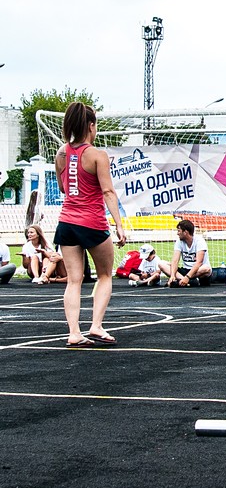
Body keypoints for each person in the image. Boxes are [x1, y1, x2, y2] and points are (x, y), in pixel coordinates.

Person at [53, 101, 126, 346]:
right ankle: (96, 326)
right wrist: (119, 224)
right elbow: (108, 192)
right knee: (105, 275)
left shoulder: (61, 153)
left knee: (74, 280)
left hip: (67, 222)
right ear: (91, 126)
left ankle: (74, 332)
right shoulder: (97, 155)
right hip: (92, 222)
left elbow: (64, 188)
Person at [160, 219, 213, 287]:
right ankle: (187, 281)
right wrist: (172, 275)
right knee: (161, 263)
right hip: (185, 270)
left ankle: (183, 280)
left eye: (179, 231)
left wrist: (187, 277)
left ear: (185, 232)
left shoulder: (199, 241)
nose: (177, 233)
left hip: (197, 271)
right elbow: (175, 261)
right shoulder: (179, 241)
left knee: (206, 268)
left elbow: (199, 263)